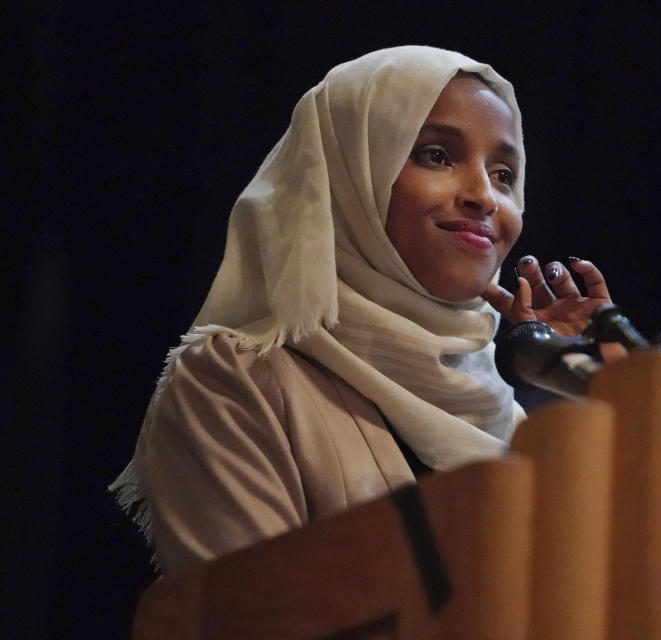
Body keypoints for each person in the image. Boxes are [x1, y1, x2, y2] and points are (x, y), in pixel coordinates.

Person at [111, 45, 616, 574]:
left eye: (505, 173)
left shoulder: (504, 414)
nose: (485, 196)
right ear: (349, 173)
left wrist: (601, 386)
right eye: (436, 155)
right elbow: (254, 616)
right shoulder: (234, 382)